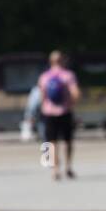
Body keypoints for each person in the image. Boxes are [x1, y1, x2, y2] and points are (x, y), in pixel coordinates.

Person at [37, 50, 80, 181]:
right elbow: (76, 94)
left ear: (50, 62)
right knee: (68, 141)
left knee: (51, 142)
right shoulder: (68, 75)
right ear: (63, 61)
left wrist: (42, 109)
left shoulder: (44, 76)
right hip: (65, 111)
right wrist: (72, 104)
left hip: (48, 112)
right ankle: (68, 167)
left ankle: (55, 170)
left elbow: (42, 97)